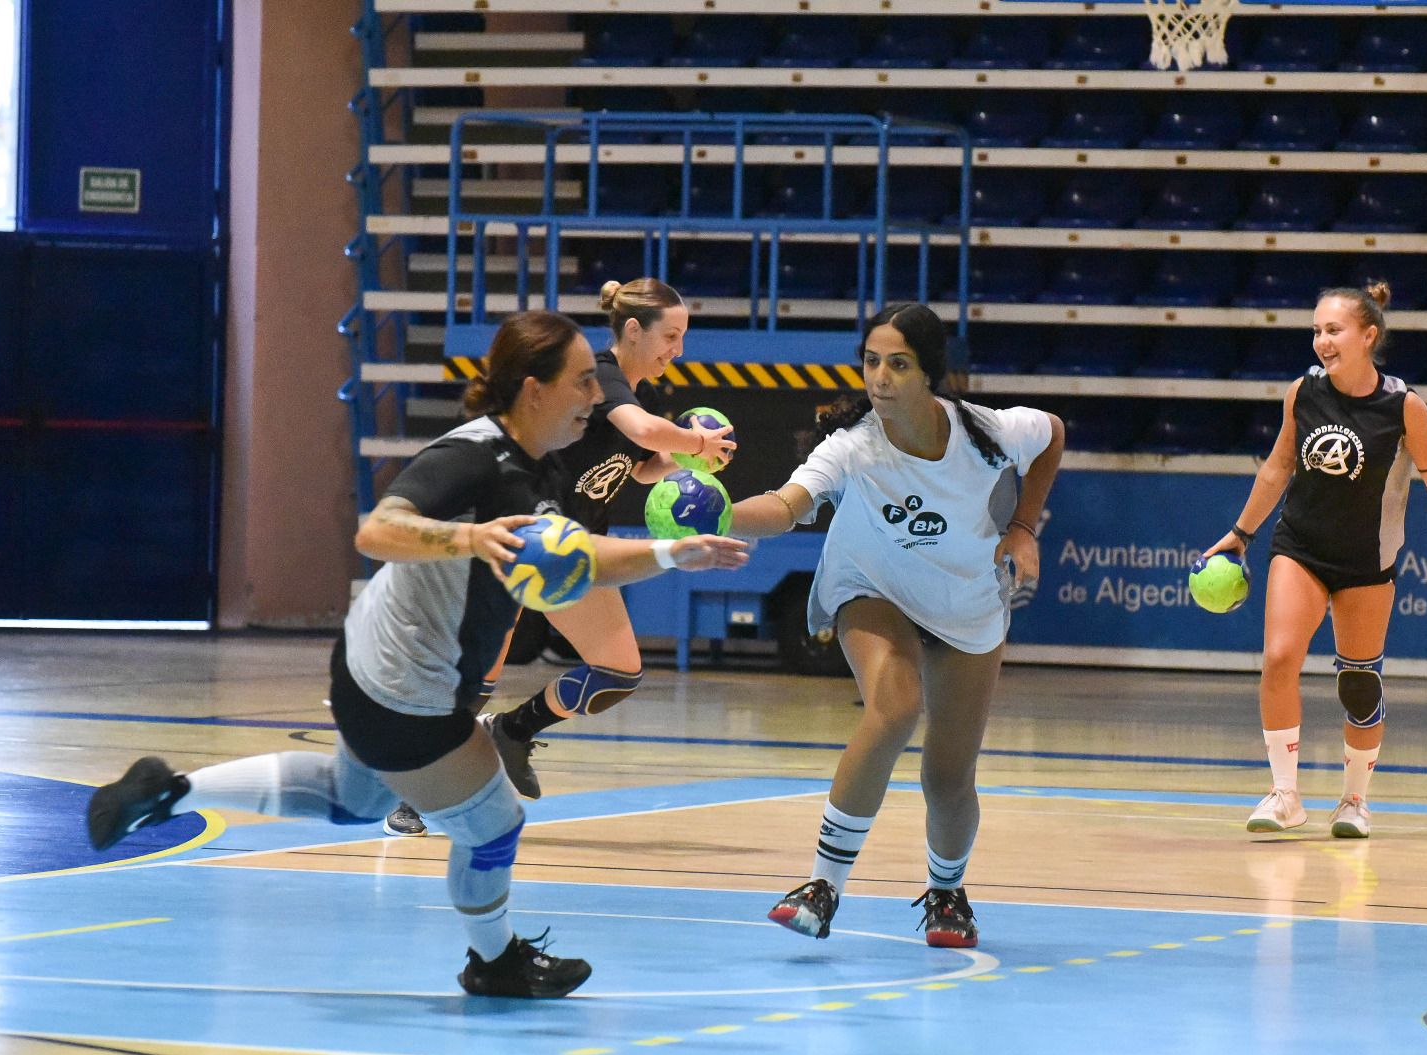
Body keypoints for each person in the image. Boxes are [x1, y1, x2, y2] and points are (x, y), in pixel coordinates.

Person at [84, 311, 749, 997]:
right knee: (494, 823)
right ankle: (496, 962)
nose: (594, 396)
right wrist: (468, 539)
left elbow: (584, 562)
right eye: (582, 382)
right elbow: (379, 530)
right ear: (534, 389)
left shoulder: (542, 466)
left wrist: (672, 552)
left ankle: (165, 791)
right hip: (407, 684)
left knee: (354, 799)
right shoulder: (471, 455)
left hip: (379, 665)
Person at [727, 303, 1064, 948]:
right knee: (895, 703)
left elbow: (1052, 432)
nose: (879, 377)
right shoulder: (854, 446)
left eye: (898, 365)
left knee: (947, 775)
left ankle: (946, 892)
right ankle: (821, 886)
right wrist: (713, 515)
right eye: (871, 361)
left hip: (964, 597)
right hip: (869, 585)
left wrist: (1022, 527)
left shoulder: (987, 432)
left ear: (930, 374)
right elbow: (783, 508)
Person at [385, 277, 735, 835]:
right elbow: (643, 431)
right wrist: (696, 443)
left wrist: (687, 463)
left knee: (617, 672)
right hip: (524, 531)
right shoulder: (601, 374)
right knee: (478, 671)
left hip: (575, 548)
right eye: (671, 335)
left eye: (683, 337)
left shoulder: (640, 395)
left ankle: (513, 732)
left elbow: (639, 465)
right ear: (634, 330)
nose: (679, 349)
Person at [1201, 281, 1427, 840]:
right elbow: (1278, 468)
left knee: (1358, 684)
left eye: (1333, 330)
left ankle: (1355, 800)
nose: (1321, 341)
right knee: (1280, 657)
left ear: (1368, 336)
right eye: (1316, 331)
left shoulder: (1404, 407)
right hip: (1301, 548)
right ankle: (1285, 795)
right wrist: (1240, 533)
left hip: (1367, 562)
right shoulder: (1303, 393)